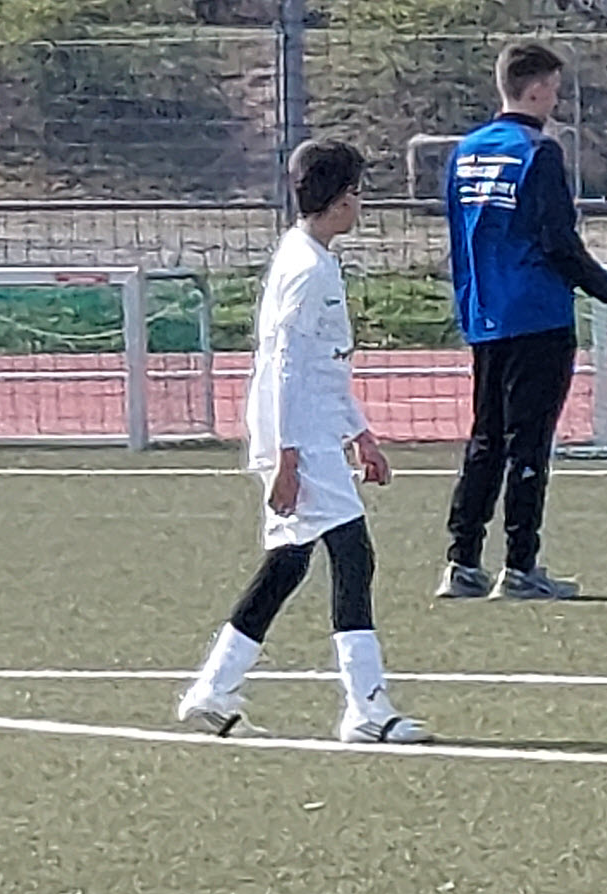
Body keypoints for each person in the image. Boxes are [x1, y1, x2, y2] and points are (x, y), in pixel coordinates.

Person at [177, 140, 429, 745]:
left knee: (289, 561)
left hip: (306, 429)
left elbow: (322, 364)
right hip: (298, 434)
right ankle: (367, 706)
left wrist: (359, 432)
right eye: (358, 192)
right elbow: (286, 365)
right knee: (352, 553)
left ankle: (213, 690)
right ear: (340, 199)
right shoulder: (307, 269)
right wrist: (288, 457)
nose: (360, 204)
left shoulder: (311, 257)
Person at [441, 41, 607, 599]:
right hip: (538, 314)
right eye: (555, 90)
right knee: (529, 442)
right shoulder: (538, 152)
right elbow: (556, 238)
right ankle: (520, 566)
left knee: (485, 438)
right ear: (538, 88)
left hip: (485, 311)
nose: (556, 100)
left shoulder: (466, 152)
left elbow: (458, 234)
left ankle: (462, 560)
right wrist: (603, 286)